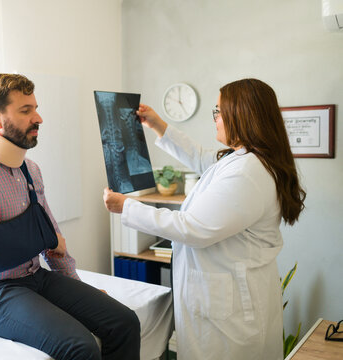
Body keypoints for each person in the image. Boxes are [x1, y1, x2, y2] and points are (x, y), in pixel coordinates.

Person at [103, 78, 306, 360]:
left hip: (230, 312)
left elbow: (193, 228)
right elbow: (202, 159)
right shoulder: (243, 159)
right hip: (225, 297)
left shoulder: (247, 172)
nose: (215, 119)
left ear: (241, 115)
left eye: (218, 111)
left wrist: (127, 207)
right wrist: (158, 125)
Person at [0, 73, 140, 360]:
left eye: (35, 108)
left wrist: (77, 285)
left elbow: (53, 244)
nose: (38, 118)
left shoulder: (30, 169)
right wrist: (48, 239)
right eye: (26, 111)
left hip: (34, 276)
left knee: (124, 322)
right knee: (79, 346)